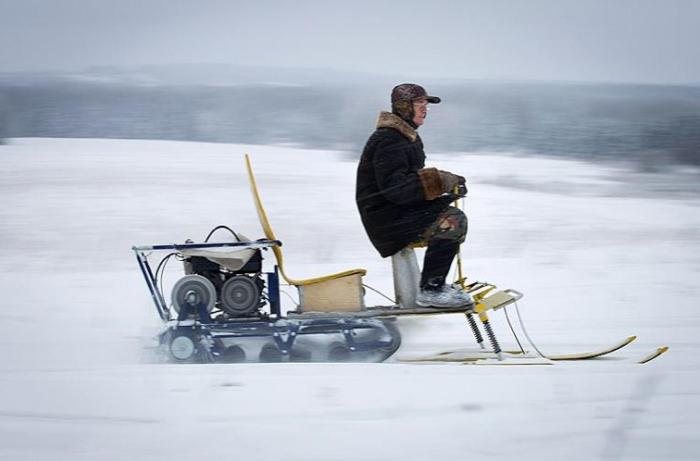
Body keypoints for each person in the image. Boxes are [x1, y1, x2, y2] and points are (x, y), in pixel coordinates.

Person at [355, 83, 473, 309]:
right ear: (403, 106)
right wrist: (440, 181)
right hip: (386, 218)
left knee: (450, 213)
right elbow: (397, 189)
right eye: (419, 103)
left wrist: (444, 190)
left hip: (395, 211)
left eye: (426, 104)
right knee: (453, 221)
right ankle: (431, 290)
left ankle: (434, 286)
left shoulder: (404, 137)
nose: (424, 109)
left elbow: (410, 186)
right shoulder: (389, 140)